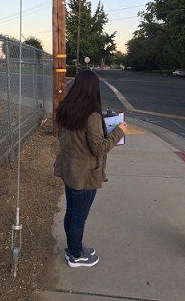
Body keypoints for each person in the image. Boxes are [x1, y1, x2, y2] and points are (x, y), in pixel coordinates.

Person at [54, 69, 127, 268]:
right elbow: (100, 148)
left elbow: (62, 137)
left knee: (71, 212)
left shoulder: (65, 108)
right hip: (85, 175)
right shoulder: (92, 116)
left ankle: (73, 247)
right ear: (93, 89)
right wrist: (118, 132)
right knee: (79, 217)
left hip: (69, 169)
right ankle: (76, 255)